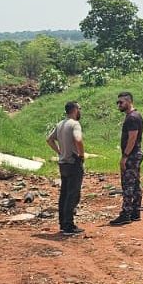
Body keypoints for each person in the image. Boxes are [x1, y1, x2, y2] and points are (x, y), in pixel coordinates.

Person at [46, 100, 85, 235]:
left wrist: (59, 152)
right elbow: (78, 139)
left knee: (64, 194)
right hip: (73, 162)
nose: (80, 111)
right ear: (74, 110)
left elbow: (49, 139)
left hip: (63, 163)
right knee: (72, 194)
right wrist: (81, 155)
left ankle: (63, 224)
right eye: (79, 108)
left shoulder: (60, 124)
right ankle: (69, 226)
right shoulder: (75, 124)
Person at [109, 91, 143, 226]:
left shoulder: (132, 118)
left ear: (129, 101)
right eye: (117, 102)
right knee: (135, 183)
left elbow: (132, 138)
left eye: (121, 102)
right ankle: (135, 211)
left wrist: (125, 156)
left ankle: (126, 213)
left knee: (128, 184)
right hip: (135, 154)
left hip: (132, 155)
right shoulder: (135, 116)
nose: (119, 105)